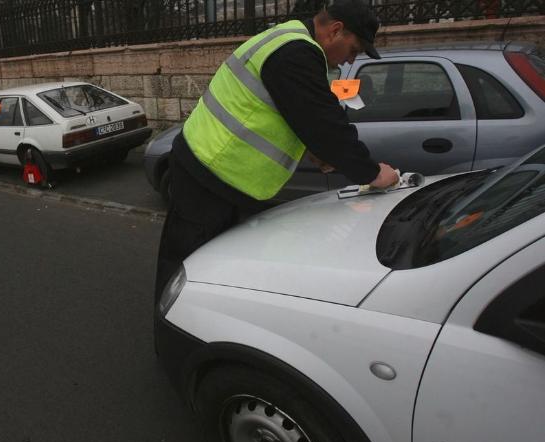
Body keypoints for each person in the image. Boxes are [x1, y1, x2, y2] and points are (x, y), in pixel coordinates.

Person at [155, 0, 401, 300]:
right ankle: (173, 333)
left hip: (216, 174)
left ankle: (196, 323)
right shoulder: (297, 52)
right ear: (335, 31)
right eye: (353, 50)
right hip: (209, 174)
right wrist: (374, 173)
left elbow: (295, 113)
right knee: (186, 267)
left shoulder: (292, 41)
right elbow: (326, 126)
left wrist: (316, 148)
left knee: (210, 267)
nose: (349, 61)